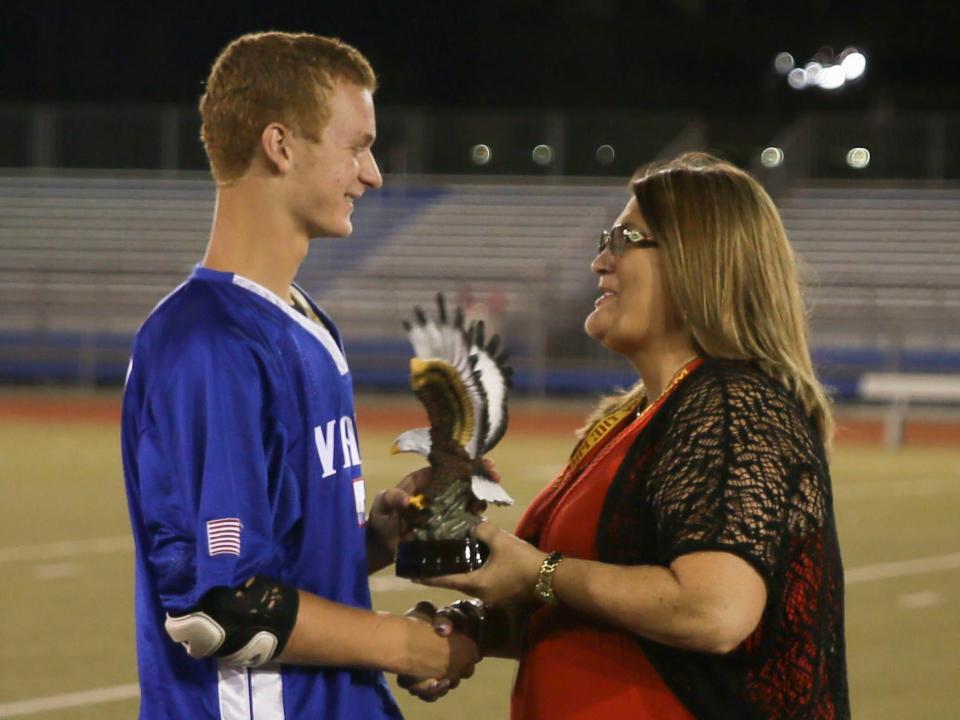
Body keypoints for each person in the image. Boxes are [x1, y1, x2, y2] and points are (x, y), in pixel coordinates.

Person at [406, 153, 850, 719]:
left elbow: (713, 612)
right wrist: (466, 627)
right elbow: (607, 619)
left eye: (624, 239)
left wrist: (538, 572)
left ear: (698, 260)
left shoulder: (735, 405)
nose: (599, 262)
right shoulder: (634, 415)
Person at [120, 31, 477, 720]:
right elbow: (222, 606)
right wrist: (406, 646)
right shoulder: (208, 342)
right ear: (281, 146)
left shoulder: (303, 322)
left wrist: (373, 540)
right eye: (357, 146)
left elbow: (276, 565)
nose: (371, 174)